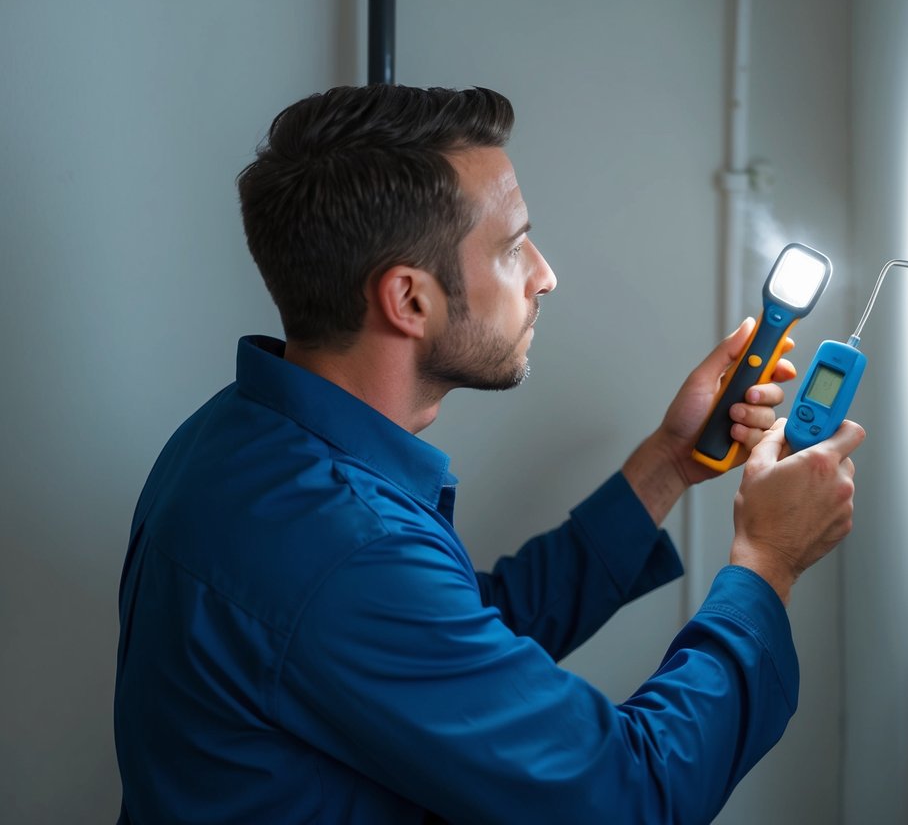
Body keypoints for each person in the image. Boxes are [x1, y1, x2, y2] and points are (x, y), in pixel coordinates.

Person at [113, 84, 864, 824]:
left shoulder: (238, 437)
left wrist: (668, 462)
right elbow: (631, 797)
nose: (545, 275)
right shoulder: (343, 548)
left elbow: (453, 638)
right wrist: (767, 563)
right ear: (408, 300)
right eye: (511, 249)